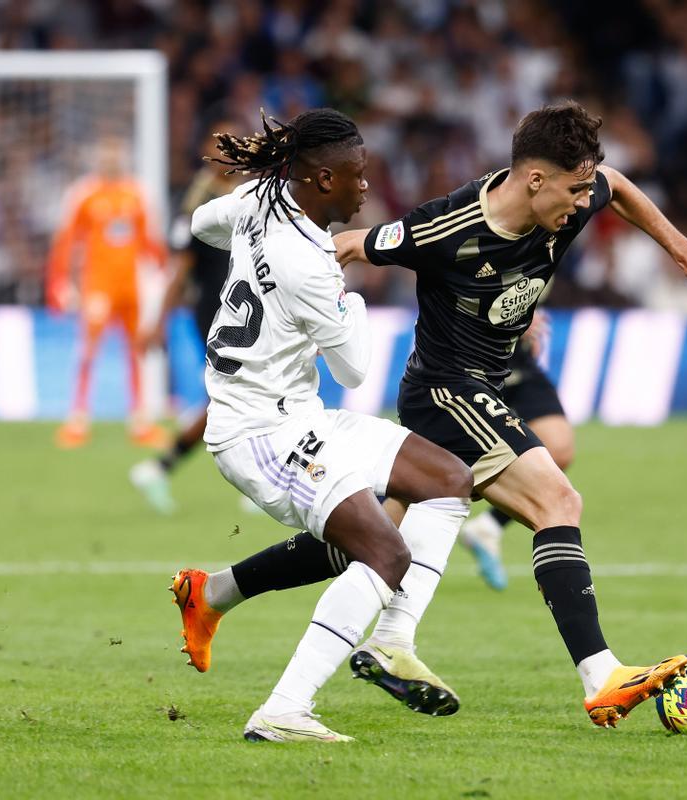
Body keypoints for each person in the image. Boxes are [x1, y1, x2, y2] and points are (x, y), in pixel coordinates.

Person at [329, 100, 687, 728]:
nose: (582, 204)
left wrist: (682, 252)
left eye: (585, 188)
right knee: (558, 501)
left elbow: (620, 187)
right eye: (573, 191)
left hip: (489, 385)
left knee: (366, 537)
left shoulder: (574, 193)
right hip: (445, 391)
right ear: (534, 179)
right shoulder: (443, 229)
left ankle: (218, 591)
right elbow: (352, 244)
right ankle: (602, 675)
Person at [170, 108, 472, 743]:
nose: (367, 188)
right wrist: (350, 293)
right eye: (359, 178)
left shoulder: (263, 197)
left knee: (447, 479)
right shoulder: (311, 262)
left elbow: (201, 223)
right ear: (325, 179)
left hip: (297, 415)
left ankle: (378, 637)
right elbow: (357, 368)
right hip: (262, 438)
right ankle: (284, 710)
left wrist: (254, 255)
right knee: (385, 549)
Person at [129, 122, 244, 514]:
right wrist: (157, 320)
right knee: (237, 394)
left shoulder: (246, 194)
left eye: (233, 144)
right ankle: (161, 466)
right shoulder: (198, 202)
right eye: (219, 144)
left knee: (236, 396)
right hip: (217, 314)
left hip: (245, 311)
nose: (228, 151)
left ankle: (160, 467)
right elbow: (180, 269)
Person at [47, 135, 168, 448]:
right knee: (88, 350)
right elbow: (66, 240)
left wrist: (161, 277)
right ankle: (77, 418)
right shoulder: (83, 193)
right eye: (105, 154)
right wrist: (60, 282)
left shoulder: (137, 193)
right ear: (97, 158)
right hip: (98, 286)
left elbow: (151, 242)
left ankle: (140, 421)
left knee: (135, 351)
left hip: (132, 286)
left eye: (116, 153)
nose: (110, 159)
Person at [457, 309, 573, 591]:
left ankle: (488, 527)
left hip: (517, 362)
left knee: (559, 448)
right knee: (440, 476)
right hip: (464, 367)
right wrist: (509, 311)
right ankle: (382, 554)